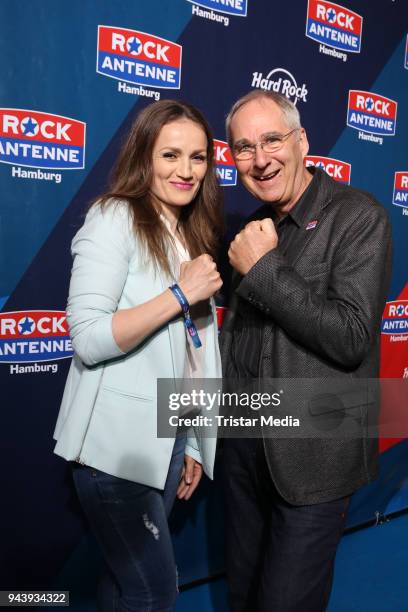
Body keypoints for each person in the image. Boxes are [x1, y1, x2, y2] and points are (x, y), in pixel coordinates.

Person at [220, 90, 392, 612]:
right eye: (244, 148)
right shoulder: (254, 228)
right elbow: (241, 340)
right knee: (245, 596)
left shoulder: (358, 217)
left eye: (272, 139)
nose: (260, 159)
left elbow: (350, 336)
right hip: (245, 446)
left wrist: (265, 269)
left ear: (303, 142)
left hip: (315, 451)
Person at [53, 99, 223, 612]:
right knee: (153, 591)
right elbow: (87, 336)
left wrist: (193, 440)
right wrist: (178, 294)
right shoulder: (115, 216)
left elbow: (190, 355)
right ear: (144, 157)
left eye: (198, 158)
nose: (186, 170)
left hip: (165, 440)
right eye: (170, 155)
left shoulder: (186, 231)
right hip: (114, 451)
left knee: (124, 581)